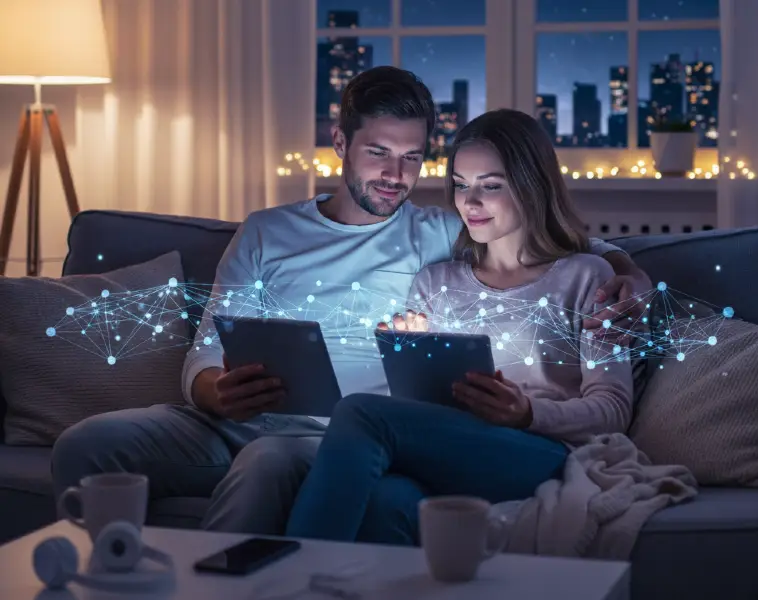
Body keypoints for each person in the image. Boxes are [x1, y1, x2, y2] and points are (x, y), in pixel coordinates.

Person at [51, 68, 649, 540]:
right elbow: (206, 346)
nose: (396, 174)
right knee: (86, 443)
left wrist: (630, 276)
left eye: (413, 157)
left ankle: (228, 587)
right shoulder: (266, 232)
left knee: (269, 461)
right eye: (378, 152)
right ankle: (108, 574)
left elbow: (556, 244)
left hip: (329, 437)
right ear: (340, 142)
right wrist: (213, 388)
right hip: (226, 420)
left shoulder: (440, 234)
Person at [284, 108, 636, 544]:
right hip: (454, 445)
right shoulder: (436, 282)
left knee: (359, 411)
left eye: (491, 186)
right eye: (461, 185)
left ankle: (288, 578)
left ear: (531, 187)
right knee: (386, 500)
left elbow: (614, 412)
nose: (470, 202)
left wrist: (526, 413)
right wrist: (405, 360)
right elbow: (419, 408)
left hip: (541, 451)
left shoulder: (587, 277)